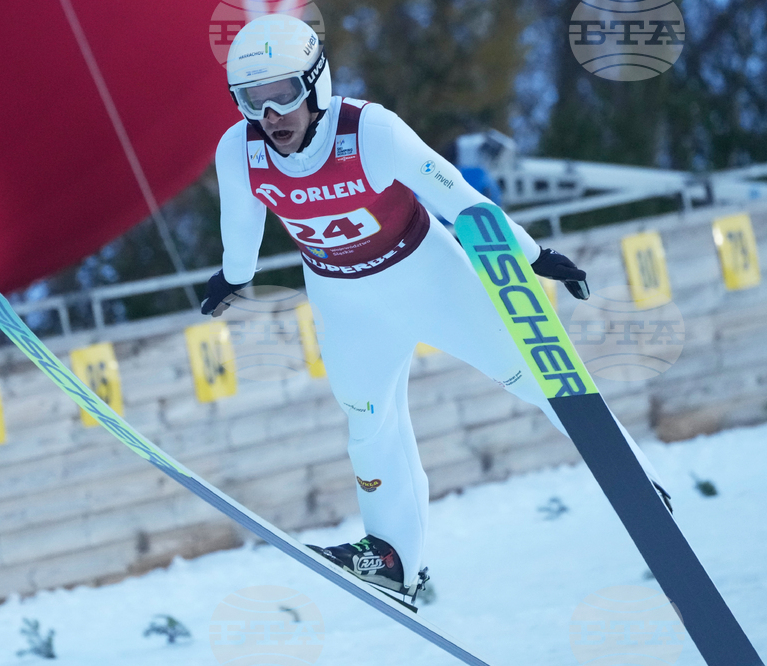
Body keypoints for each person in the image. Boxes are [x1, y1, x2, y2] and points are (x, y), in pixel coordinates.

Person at [201, 14, 670, 602]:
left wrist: (532, 254)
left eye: (283, 96)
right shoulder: (239, 150)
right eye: (251, 100)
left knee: (533, 372)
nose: (269, 117)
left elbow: (460, 199)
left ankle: (635, 478)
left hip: (428, 275)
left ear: (316, 84)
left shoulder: (371, 131)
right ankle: (395, 557)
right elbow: (240, 224)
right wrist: (233, 277)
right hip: (343, 299)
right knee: (368, 425)